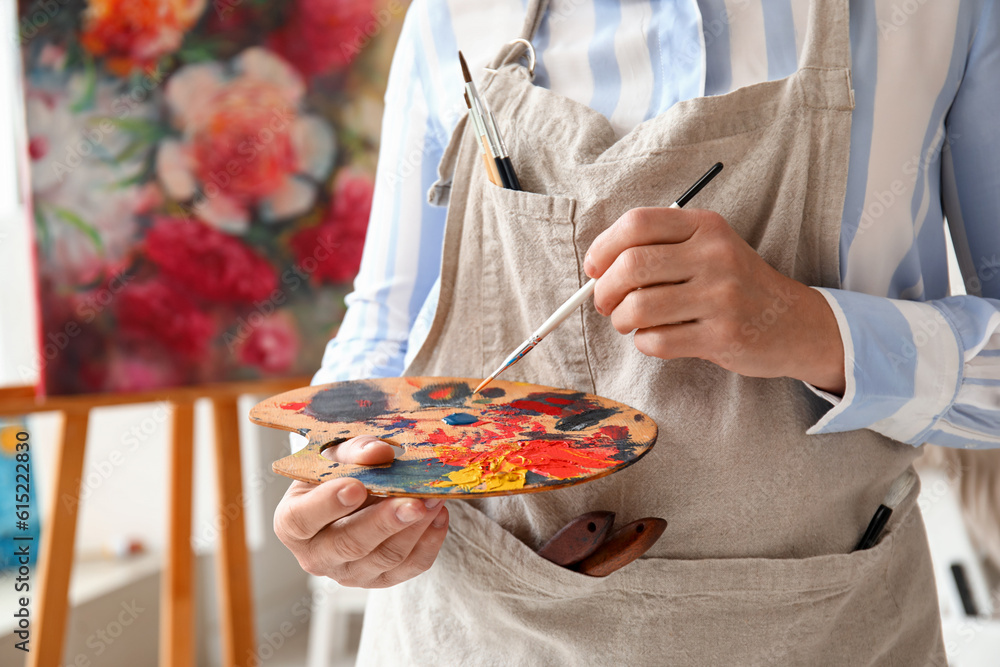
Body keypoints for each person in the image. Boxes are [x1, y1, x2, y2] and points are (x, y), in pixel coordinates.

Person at [275, 0, 1000, 663]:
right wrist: (341, 481)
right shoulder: (456, 13)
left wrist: (815, 330)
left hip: (822, 633)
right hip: (475, 629)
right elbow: (386, 323)